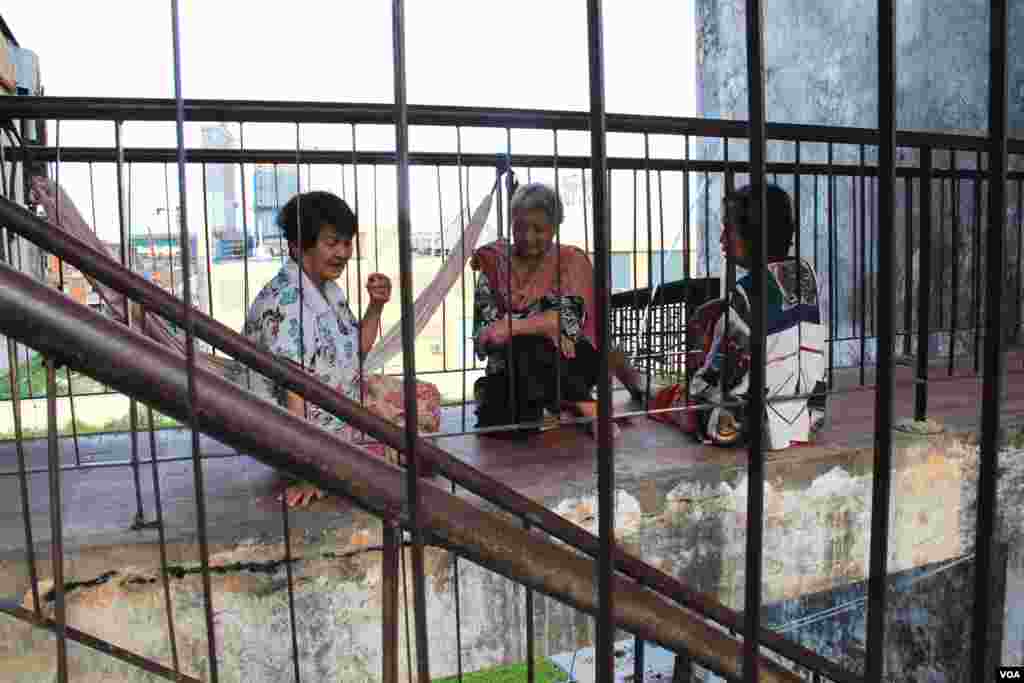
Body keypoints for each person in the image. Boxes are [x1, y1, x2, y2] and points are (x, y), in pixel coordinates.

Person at [244, 191, 440, 507]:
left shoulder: (325, 289)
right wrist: (310, 472)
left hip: (345, 405)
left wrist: (376, 306)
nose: (344, 252)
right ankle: (347, 463)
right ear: (298, 246)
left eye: (347, 243)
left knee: (426, 398)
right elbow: (296, 395)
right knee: (419, 454)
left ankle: (380, 451)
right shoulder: (286, 304)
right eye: (332, 243)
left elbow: (356, 350)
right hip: (310, 433)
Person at [471, 182, 651, 439]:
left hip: (571, 362)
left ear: (554, 229)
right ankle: (570, 404)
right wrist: (542, 324)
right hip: (513, 367)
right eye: (520, 227)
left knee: (527, 344)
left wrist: (511, 325)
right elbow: (485, 335)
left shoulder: (570, 261)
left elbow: (569, 323)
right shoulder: (494, 265)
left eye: (538, 229)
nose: (527, 236)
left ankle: (584, 406)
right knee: (505, 425)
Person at [680, 183, 828, 449]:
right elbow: (771, 303)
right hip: (806, 417)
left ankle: (636, 382)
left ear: (753, 233)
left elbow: (714, 375)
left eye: (729, 229)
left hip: (753, 427)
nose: (722, 239)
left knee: (681, 397)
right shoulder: (805, 273)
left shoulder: (741, 299)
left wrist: (701, 343)